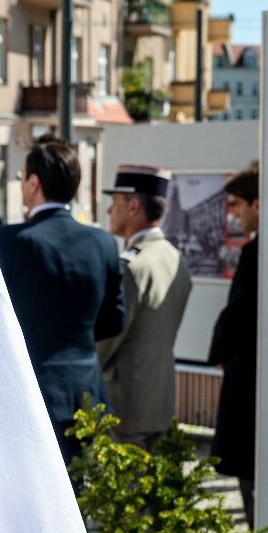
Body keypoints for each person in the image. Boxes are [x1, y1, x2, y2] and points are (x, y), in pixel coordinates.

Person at [0, 138, 125, 466]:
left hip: (28, 393)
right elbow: (113, 321)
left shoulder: (8, 242)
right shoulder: (103, 244)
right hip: (87, 394)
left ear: (34, 184)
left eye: (23, 178)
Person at [98, 165, 193, 446]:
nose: (109, 212)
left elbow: (107, 340)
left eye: (114, 203)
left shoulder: (132, 266)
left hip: (125, 403)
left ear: (134, 207)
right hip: (161, 398)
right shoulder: (176, 260)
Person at [208, 165, 259, 527]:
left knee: (250, 482)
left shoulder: (257, 252)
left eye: (240, 204)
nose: (236, 214)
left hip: (249, 382)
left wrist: (218, 351)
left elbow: (239, 313)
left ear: (258, 203)